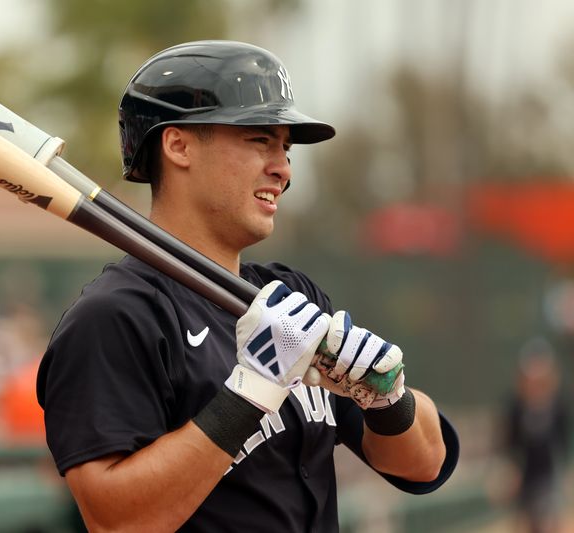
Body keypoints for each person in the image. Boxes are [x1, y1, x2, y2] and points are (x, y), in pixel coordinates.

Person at [37, 40, 459, 532]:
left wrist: (389, 400)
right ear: (178, 146)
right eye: (260, 140)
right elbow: (117, 521)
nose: (282, 168)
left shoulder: (289, 297)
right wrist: (250, 392)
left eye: (285, 147)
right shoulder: (115, 317)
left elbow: (423, 462)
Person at [504, 338, 570, 533]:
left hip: (548, 477)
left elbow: (563, 440)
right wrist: (509, 469)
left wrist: (566, 473)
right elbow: (509, 442)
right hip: (525, 476)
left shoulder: (558, 405)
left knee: (548, 522)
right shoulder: (515, 406)